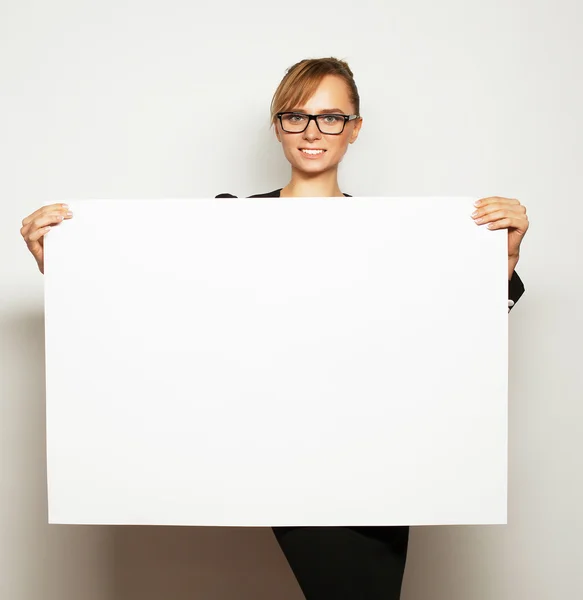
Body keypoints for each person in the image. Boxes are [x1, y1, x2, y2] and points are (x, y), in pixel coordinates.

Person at [20, 57, 529, 599]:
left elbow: (448, 338)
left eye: (332, 117)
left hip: (366, 453)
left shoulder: (401, 238)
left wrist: (503, 255)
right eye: (296, 116)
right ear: (277, 125)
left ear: (355, 129)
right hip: (258, 447)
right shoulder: (224, 224)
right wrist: (65, 262)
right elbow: (149, 320)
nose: (313, 132)